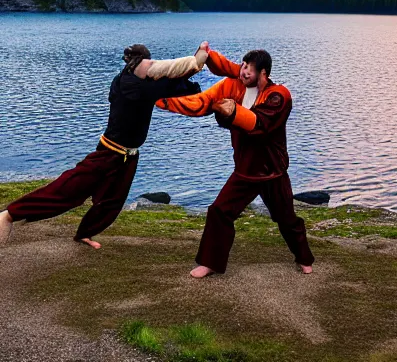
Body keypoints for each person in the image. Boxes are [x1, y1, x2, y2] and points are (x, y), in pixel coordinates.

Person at [0, 43, 208, 248]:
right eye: (148, 63)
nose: (151, 66)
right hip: (108, 154)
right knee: (67, 191)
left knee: (112, 202)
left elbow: (170, 83)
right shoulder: (129, 84)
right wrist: (194, 62)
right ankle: (10, 215)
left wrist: (194, 63)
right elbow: (167, 83)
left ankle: (85, 233)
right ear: (135, 65)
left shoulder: (141, 82)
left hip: (128, 156)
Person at [157, 46, 315, 277]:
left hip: (273, 172)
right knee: (219, 212)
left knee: (287, 218)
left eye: (249, 70)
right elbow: (202, 103)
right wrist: (160, 100)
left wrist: (231, 112)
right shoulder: (233, 86)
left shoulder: (280, 95)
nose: (243, 73)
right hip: (245, 170)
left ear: (264, 73)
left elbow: (259, 125)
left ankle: (304, 257)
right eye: (242, 67)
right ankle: (210, 263)